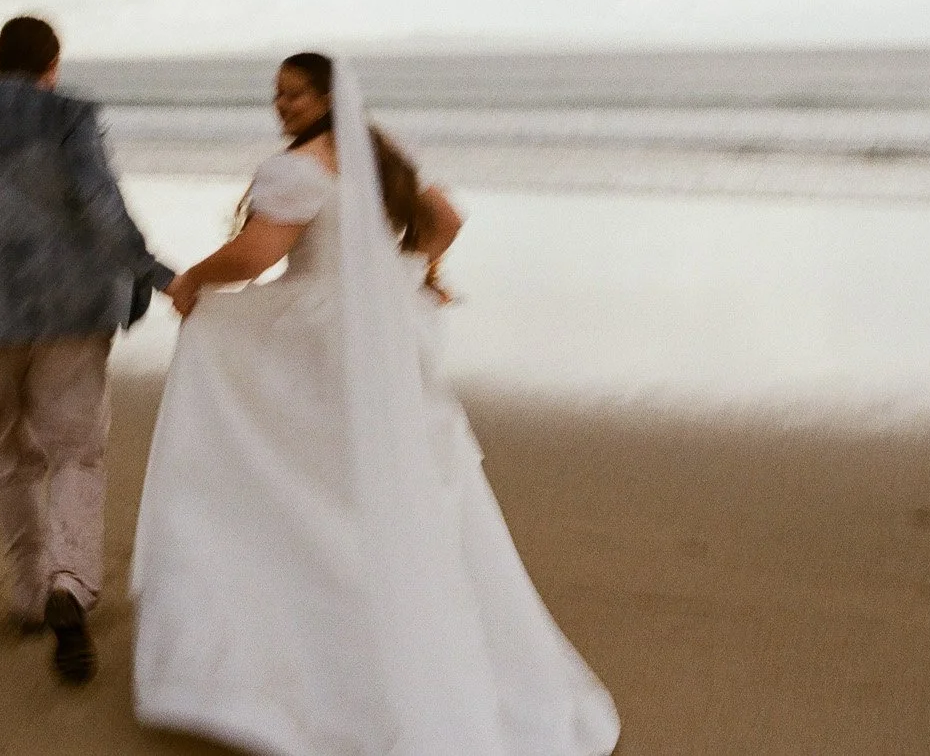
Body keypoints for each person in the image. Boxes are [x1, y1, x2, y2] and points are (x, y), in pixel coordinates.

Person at [132, 52, 620, 755]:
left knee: (302, 485)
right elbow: (443, 219)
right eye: (276, 96)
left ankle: (308, 660)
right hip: (380, 337)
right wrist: (412, 273)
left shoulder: (295, 170)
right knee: (378, 487)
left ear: (329, 96)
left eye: (296, 95)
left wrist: (191, 284)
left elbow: (257, 255)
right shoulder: (376, 159)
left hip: (317, 340)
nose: (283, 107)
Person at [0, 15, 172, 686]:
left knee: (12, 451)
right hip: (72, 308)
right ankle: (70, 586)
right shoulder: (71, 118)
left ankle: (26, 595)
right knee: (76, 448)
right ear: (54, 64)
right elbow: (102, 206)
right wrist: (152, 273)